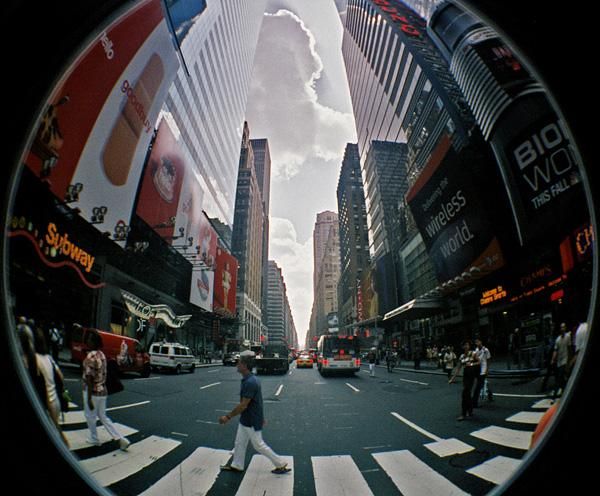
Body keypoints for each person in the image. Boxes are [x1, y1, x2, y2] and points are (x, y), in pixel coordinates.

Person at [218, 350, 290, 475]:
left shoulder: (250, 382)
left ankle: (280, 463)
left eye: (239, 363)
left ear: (245, 366)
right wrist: (261, 417)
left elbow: (243, 405)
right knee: (239, 442)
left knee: (258, 445)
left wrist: (227, 417)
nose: (237, 365)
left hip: (251, 419)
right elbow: (258, 402)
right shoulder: (250, 379)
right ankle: (237, 465)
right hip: (247, 418)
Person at [83, 330, 130, 450]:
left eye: (89, 339)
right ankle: (121, 439)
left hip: (92, 392)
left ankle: (94, 439)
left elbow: (89, 378)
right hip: (103, 391)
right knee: (103, 416)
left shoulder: (90, 356)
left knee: (90, 416)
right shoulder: (102, 355)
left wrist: (88, 398)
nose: (87, 341)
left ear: (93, 342)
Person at [33, 326, 69, 447]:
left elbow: (40, 387)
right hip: (56, 402)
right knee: (56, 431)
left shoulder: (34, 360)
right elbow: (61, 376)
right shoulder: (48, 358)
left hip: (47, 405)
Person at [449, 340, 480, 421]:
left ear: (469, 346)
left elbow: (479, 362)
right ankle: (470, 411)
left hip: (471, 375)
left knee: (464, 394)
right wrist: (452, 379)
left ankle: (463, 414)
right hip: (465, 376)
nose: (466, 346)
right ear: (462, 347)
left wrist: (472, 364)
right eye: (464, 345)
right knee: (467, 394)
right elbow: (458, 368)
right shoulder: (462, 356)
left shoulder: (473, 353)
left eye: (467, 345)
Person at [551, 322, 571, 401]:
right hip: (559, 361)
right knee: (562, 379)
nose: (562, 329)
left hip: (565, 360)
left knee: (559, 379)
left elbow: (569, 349)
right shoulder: (558, 339)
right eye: (561, 327)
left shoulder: (568, 336)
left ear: (565, 328)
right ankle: (564, 392)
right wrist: (553, 359)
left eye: (564, 327)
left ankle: (554, 397)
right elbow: (555, 351)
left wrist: (569, 361)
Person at [472, 338, 493, 407]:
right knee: (483, 383)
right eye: (476, 342)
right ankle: (490, 394)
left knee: (479, 386)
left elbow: (488, 360)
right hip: (478, 369)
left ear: (481, 342)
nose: (477, 343)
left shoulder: (486, 350)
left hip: (483, 369)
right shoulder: (476, 350)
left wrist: (487, 370)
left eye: (478, 342)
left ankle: (474, 402)